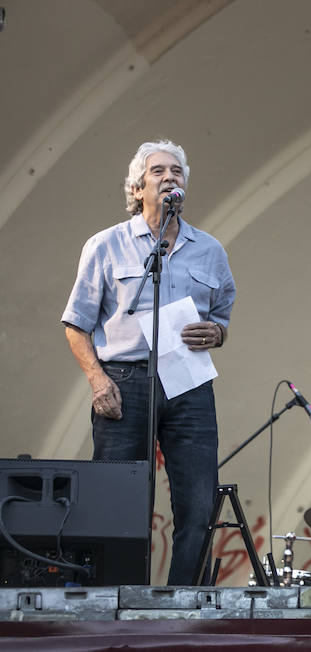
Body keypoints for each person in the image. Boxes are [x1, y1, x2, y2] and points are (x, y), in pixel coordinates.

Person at [62, 140, 234, 585]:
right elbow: (76, 325)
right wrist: (98, 381)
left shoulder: (210, 250)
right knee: (121, 501)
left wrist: (217, 333)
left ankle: (183, 601)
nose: (169, 177)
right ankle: (119, 595)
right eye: (158, 171)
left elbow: (220, 320)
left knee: (198, 501)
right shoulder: (106, 245)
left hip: (188, 381)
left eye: (176, 171)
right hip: (125, 379)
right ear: (138, 188)